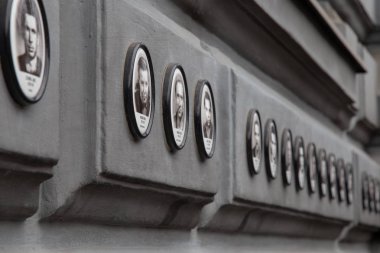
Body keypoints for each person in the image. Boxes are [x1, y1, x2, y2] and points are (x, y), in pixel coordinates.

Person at [18, 0, 42, 77]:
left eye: (33, 31)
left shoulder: (41, 67)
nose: (30, 39)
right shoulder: (17, 62)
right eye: (27, 30)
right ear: (23, 33)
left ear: (38, 38)